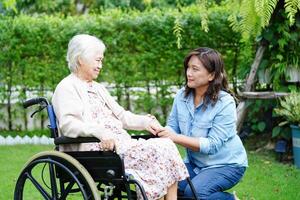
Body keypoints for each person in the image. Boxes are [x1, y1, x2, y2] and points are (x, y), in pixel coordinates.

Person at [52, 34, 188, 200]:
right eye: (97, 60)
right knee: (160, 149)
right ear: (80, 60)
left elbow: (122, 116)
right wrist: (100, 132)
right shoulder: (66, 87)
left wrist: (146, 122)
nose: (100, 65)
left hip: (119, 145)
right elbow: (69, 124)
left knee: (165, 145)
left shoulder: (98, 88)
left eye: (101, 61)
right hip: (98, 149)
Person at [156, 47, 248, 200]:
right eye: (188, 68)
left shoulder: (224, 102)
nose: (188, 73)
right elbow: (172, 126)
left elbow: (212, 145)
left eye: (195, 69)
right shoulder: (181, 96)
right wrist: (159, 129)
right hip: (196, 164)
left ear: (211, 75)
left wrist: (175, 137)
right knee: (167, 182)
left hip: (227, 165)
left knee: (195, 193)